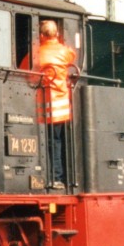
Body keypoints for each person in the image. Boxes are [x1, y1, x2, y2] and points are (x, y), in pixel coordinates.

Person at [34, 18, 77, 188]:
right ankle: (57, 177)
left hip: (43, 105)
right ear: (57, 34)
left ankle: (48, 175)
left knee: (45, 140)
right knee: (56, 140)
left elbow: (25, 71)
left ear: (41, 36)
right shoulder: (64, 52)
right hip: (61, 105)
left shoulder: (37, 53)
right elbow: (72, 55)